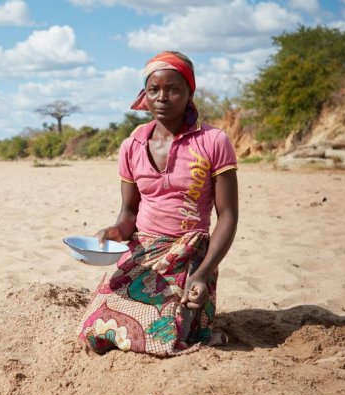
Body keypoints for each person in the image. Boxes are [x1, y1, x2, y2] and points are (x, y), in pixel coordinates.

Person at [77, 51, 239, 356]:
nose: (162, 97)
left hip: (191, 252)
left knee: (163, 336)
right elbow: (129, 213)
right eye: (154, 90)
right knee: (94, 330)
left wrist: (203, 273)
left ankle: (190, 313)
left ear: (189, 93)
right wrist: (114, 232)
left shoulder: (213, 141)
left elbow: (228, 216)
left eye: (173, 89)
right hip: (144, 248)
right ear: (144, 95)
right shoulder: (132, 145)